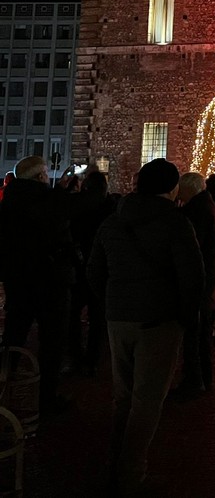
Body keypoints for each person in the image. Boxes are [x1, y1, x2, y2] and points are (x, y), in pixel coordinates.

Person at [87, 158, 205, 496]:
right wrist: (185, 317)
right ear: (170, 188)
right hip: (158, 321)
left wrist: (112, 303)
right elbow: (192, 277)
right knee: (148, 400)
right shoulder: (176, 223)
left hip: (118, 319)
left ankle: (116, 461)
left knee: (123, 397)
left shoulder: (113, 221)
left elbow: (95, 271)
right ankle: (130, 473)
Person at [0, 155, 79, 416]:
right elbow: (61, 227)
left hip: (17, 279)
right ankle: (47, 397)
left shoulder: (8, 201)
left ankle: (3, 385)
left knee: (14, 335)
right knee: (52, 342)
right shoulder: (48, 200)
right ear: (40, 176)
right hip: (50, 281)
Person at [171, 172, 215, 398]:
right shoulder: (207, 206)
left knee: (196, 335)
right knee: (199, 335)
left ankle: (195, 380)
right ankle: (201, 378)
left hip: (200, 283)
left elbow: (194, 249)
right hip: (207, 282)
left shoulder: (197, 212)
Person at [67, 169, 117, 376]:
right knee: (98, 317)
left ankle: (75, 358)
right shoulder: (111, 209)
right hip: (102, 269)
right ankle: (93, 359)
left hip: (78, 268)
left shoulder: (77, 207)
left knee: (72, 315)